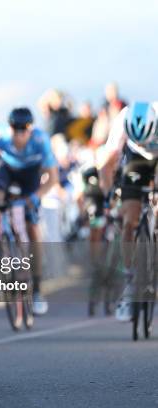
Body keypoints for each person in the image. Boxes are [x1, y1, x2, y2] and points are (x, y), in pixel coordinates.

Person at [0, 107, 59, 315]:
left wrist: (35, 198)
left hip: (30, 177)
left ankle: (36, 289)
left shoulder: (40, 140)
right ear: (9, 127)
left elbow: (52, 178)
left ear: (31, 128)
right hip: (6, 171)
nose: (19, 134)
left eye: (24, 129)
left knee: (32, 226)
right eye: (15, 129)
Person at [98, 101, 157, 322]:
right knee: (129, 219)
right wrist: (107, 197)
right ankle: (131, 281)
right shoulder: (122, 121)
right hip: (137, 160)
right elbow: (106, 164)